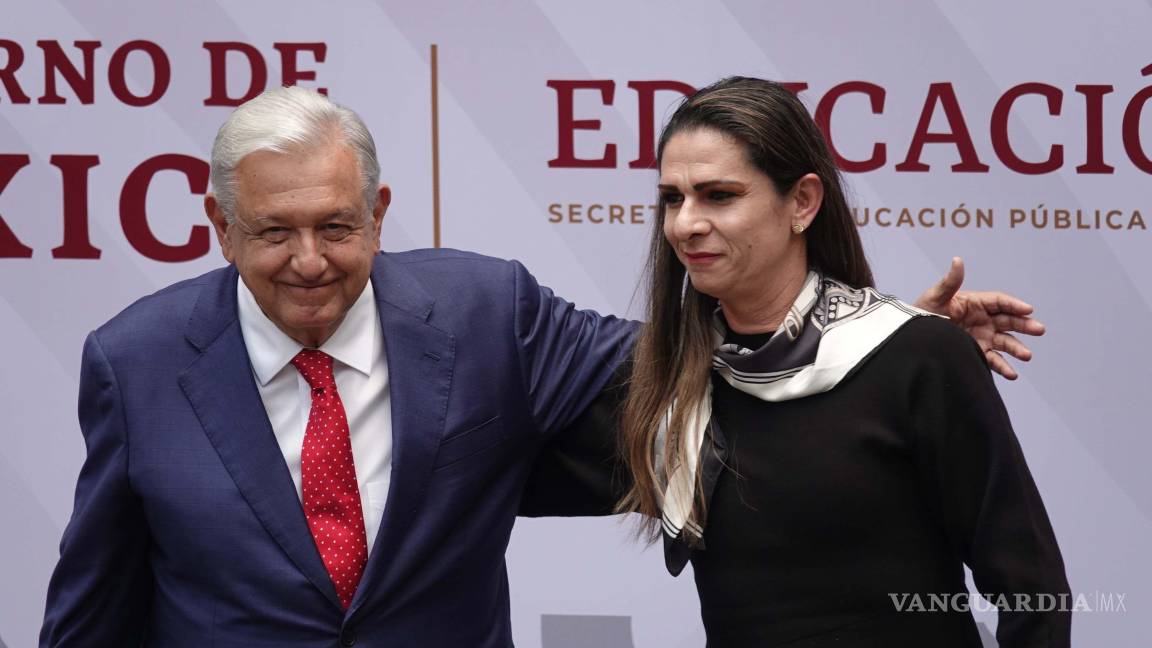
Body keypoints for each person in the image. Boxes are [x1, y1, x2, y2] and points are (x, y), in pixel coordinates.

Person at [41, 85, 1046, 647]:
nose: (309, 260)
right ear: (220, 227)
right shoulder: (135, 364)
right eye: (273, 232)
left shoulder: (485, 314)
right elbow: (92, 614)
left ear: (380, 216)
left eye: (336, 226)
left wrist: (878, 338)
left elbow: (712, 364)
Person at [529, 77, 1070, 647]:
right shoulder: (668, 385)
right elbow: (495, 479)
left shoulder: (919, 357)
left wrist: (908, 340)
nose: (685, 224)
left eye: (719, 195)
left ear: (803, 203)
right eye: (672, 198)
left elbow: (1032, 590)